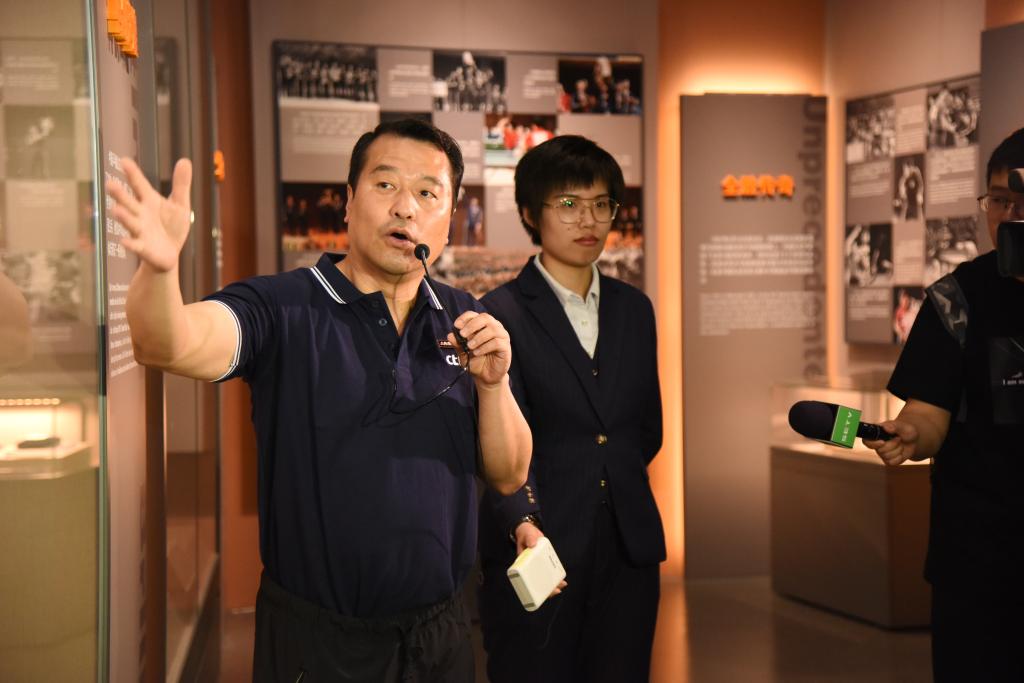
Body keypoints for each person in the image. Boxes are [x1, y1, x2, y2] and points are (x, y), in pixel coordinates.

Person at [107, 119, 531, 682]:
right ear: (349, 202)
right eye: (385, 185)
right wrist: (160, 272)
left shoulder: (464, 317)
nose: (405, 207)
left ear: (449, 220)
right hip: (318, 643)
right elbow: (167, 343)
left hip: (441, 636)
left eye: (428, 193)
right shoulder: (282, 306)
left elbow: (509, 474)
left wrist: (494, 385)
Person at [477, 135, 665, 683]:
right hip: (539, 544)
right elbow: (494, 447)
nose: (589, 220)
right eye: (568, 203)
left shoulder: (635, 310)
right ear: (529, 213)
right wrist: (524, 519)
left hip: (629, 546)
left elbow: (646, 429)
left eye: (602, 204)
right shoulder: (499, 314)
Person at [865, 127, 1024, 681]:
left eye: (1022, 200)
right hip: (979, 559)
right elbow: (927, 411)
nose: (1010, 216)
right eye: (999, 200)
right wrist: (910, 435)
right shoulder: (956, 297)